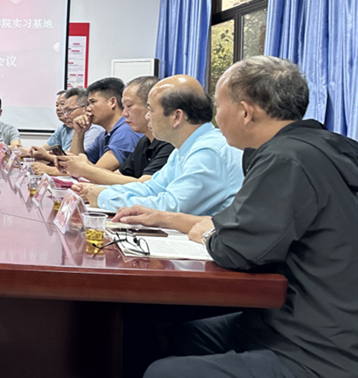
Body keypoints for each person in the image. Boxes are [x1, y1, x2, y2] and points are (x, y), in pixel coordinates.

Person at [113, 56, 358, 378]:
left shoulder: (285, 160)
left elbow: (234, 248)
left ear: (245, 112)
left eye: (218, 106)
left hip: (316, 346)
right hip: (301, 317)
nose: (215, 118)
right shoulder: (325, 146)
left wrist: (207, 234)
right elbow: (237, 225)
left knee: (164, 370)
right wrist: (180, 222)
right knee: (175, 335)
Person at [74, 75, 243, 214]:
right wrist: (100, 192)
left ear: (176, 116)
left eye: (151, 110)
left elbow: (171, 206)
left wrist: (104, 198)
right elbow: (151, 188)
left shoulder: (208, 152)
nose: (148, 117)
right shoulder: (183, 149)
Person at [58, 76, 174, 185]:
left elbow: (146, 185)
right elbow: (116, 175)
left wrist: (83, 168)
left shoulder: (128, 132)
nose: (125, 113)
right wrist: (79, 136)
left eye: (129, 106)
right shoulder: (144, 141)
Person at [68, 78, 142, 171]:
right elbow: (75, 163)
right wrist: (79, 133)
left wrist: (51, 170)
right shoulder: (104, 135)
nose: (88, 109)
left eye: (93, 102)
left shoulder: (126, 131)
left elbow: (94, 173)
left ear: (112, 102)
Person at [31, 88, 103, 162]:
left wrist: (46, 157)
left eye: (69, 110)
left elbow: (75, 162)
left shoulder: (95, 129)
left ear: (85, 109)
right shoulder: (69, 127)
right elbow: (73, 162)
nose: (65, 116)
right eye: (65, 111)